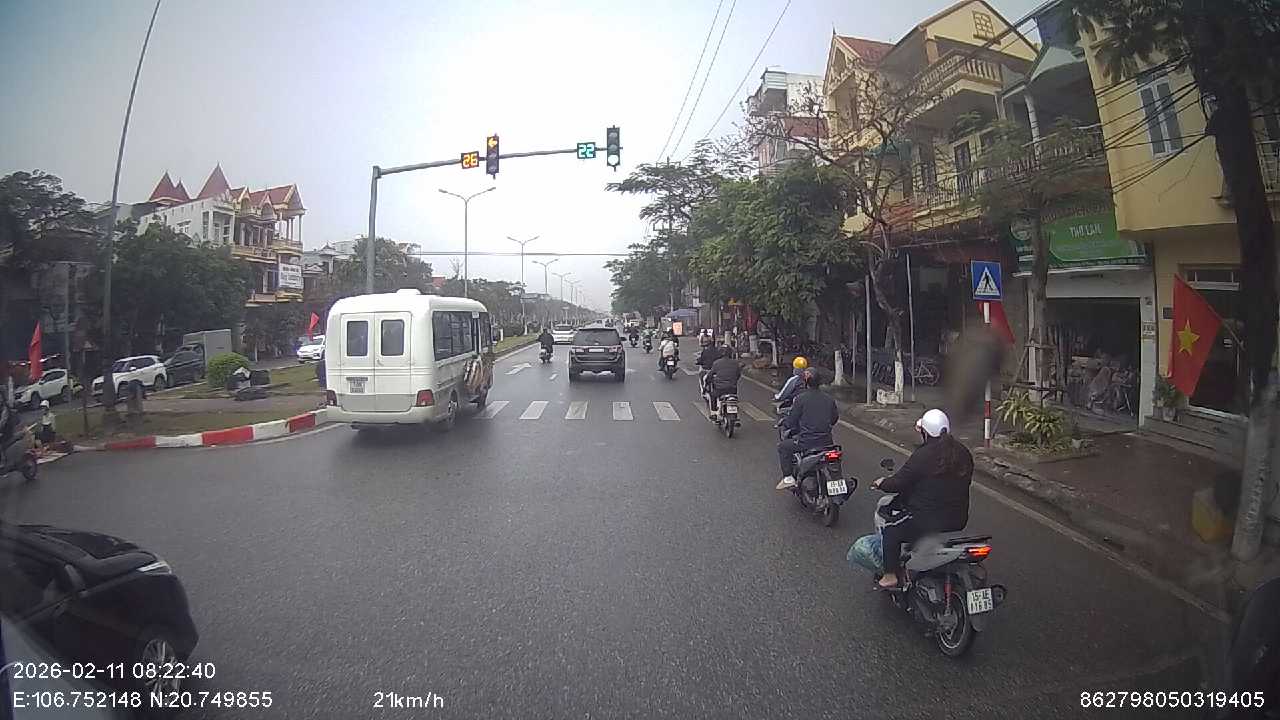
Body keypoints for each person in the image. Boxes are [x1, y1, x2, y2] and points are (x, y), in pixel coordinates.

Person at [871, 409, 973, 590]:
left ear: (925, 432)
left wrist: (881, 483)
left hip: (925, 521)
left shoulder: (923, 455)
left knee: (891, 531)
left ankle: (890, 576)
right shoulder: (963, 453)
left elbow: (899, 482)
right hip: (958, 520)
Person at [775, 369, 839, 490]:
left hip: (807, 442)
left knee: (783, 447)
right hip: (827, 443)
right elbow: (834, 419)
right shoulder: (829, 399)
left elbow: (791, 421)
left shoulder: (800, 399)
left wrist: (786, 424)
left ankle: (788, 478)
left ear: (805, 382)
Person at [706, 344, 743, 420]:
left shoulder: (716, 363)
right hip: (732, 389)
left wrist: (707, 381)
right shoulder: (736, 363)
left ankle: (713, 413)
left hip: (720, 389)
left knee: (712, 396)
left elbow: (710, 375)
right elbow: (738, 375)